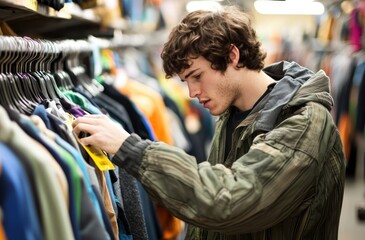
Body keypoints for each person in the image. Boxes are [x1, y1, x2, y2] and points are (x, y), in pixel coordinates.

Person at [72, 6, 346, 239]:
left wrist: (130, 148)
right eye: (185, 81)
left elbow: (229, 199)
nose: (191, 93)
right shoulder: (234, 112)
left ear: (232, 56)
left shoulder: (304, 122)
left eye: (197, 76)